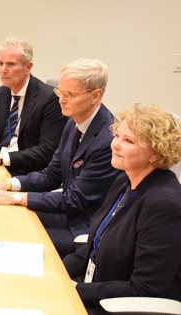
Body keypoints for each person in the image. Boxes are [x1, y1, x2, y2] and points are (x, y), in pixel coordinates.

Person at [0, 58, 122, 258]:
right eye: (59, 92)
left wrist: (16, 197)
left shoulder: (106, 140)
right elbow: (52, 174)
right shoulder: (73, 122)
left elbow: (74, 199)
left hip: (86, 228)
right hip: (69, 213)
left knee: (14, 239)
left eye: (69, 94)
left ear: (95, 96)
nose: (61, 100)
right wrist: (8, 184)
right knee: (3, 220)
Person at [63, 104, 181, 314]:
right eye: (117, 136)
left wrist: (76, 290)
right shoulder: (124, 181)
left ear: (155, 153)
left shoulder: (164, 205)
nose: (114, 145)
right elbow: (94, 246)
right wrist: (57, 271)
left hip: (118, 307)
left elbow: (145, 288)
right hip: (95, 289)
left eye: (128, 141)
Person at [0, 37, 67, 175]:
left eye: (11, 64)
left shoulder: (50, 99)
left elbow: (46, 150)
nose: (3, 70)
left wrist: (2, 158)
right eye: (0, 63)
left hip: (28, 172)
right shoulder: (0, 95)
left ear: (28, 67)